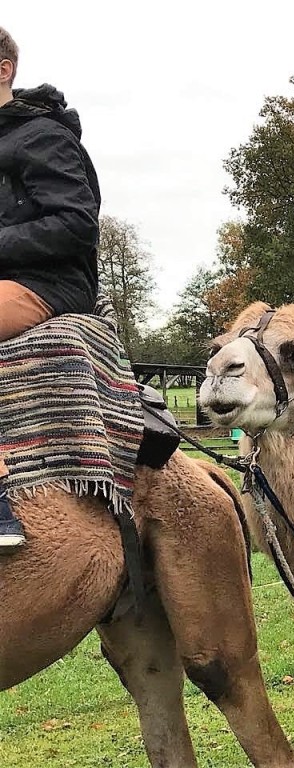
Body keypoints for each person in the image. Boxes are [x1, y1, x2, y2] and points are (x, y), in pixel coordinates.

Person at [0, 27, 101, 550]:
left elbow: (78, 224)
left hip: (48, 283)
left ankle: (0, 499)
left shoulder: (42, 137)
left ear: (4, 70)